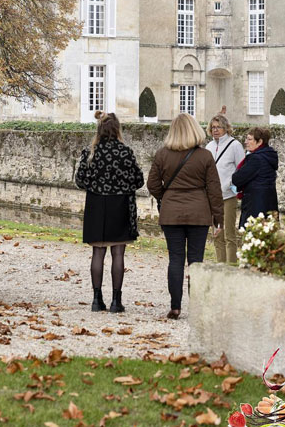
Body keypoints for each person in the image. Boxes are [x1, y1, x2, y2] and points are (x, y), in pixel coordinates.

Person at [147, 113, 223, 319]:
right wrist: (218, 218)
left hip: (172, 214)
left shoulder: (163, 154)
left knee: (176, 259)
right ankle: (196, 308)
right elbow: (214, 190)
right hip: (199, 213)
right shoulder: (205, 156)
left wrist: (168, 197)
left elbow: (152, 184)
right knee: (196, 262)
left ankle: (175, 306)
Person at [75, 111, 145, 314]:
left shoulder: (91, 151)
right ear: (117, 130)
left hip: (97, 205)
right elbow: (138, 180)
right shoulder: (125, 151)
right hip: (119, 204)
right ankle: (116, 300)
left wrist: (97, 185)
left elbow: (80, 180)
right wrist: (120, 185)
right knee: (118, 252)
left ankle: (96, 300)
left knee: (98, 252)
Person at [205, 114, 245, 264]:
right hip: (212, 197)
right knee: (216, 234)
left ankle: (231, 266)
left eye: (219, 127)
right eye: (213, 127)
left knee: (229, 233)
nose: (216, 130)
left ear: (226, 128)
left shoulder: (234, 145)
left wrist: (230, 186)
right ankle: (220, 266)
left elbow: (241, 170)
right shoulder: (209, 147)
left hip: (228, 196)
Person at [232, 127, 279, 228]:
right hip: (268, 203)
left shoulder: (256, 159)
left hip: (255, 206)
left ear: (259, 142)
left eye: (249, 139)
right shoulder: (268, 155)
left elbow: (237, 179)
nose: (246, 142)